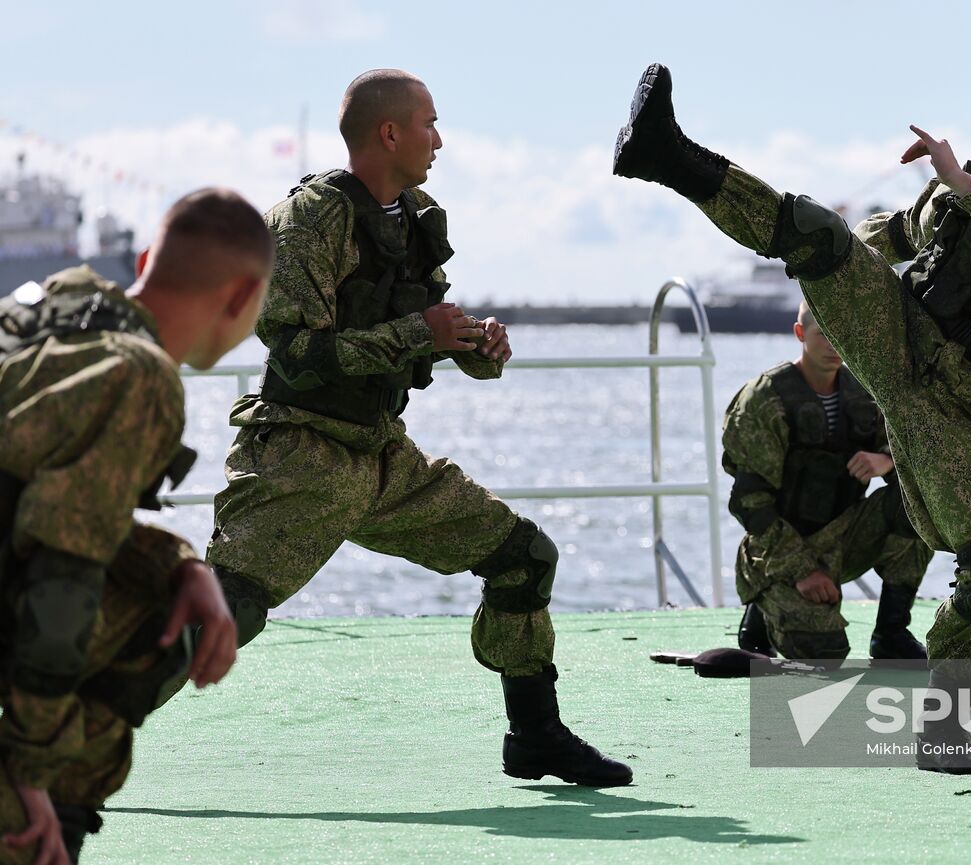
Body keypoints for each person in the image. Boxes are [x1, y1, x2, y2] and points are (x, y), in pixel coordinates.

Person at [614, 65, 971, 773]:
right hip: (900, 338)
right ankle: (665, 154)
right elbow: (898, 231)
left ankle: (944, 725)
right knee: (817, 231)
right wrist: (837, 262)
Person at [204, 68, 630, 787]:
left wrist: (476, 346)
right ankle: (48, 731)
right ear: (389, 132)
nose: (440, 139)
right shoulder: (309, 221)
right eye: (430, 123)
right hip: (302, 455)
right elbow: (299, 356)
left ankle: (535, 735)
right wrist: (416, 332)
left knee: (524, 556)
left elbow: (426, 334)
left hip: (381, 454)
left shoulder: (419, 219)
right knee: (224, 614)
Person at [0, 187, 268, 864]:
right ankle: (34, 829)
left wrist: (183, 561)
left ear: (146, 256)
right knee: (153, 624)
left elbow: (39, 489)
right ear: (240, 298)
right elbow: (64, 570)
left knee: (151, 582)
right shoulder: (140, 375)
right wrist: (31, 767)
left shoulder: (48, 308)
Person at [724, 300, 931, 661]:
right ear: (800, 334)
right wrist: (804, 571)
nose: (834, 345)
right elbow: (750, 503)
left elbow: (919, 460)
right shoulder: (765, 399)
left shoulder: (864, 394)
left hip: (843, 534)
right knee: (824, 652)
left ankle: (891, 634)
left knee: (921, 503)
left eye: (840, 335)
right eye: (823, 335)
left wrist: (886, 461)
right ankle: (762, 609)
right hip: (777, 548)